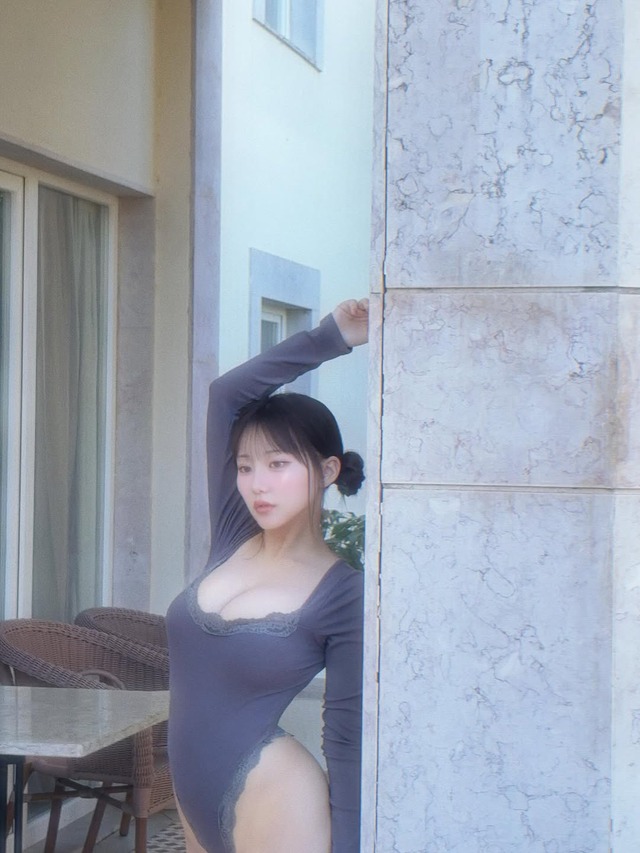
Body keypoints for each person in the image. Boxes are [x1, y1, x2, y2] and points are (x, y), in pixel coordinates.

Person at [166, 298, 369, 853]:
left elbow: (346, 738)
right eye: (245, 466)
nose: (258, 484)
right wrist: (334, 335)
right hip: (190, 797)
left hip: (277, 800)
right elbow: (226, 395)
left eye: (279, 464)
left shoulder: (344, 594)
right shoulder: (234, 533)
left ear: (327, 470)